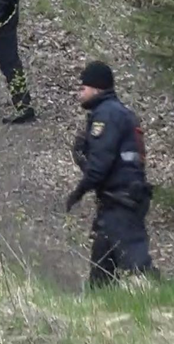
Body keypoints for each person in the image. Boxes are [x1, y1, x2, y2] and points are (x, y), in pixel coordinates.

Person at [65, 61, 157, 288]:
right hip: (119, 200)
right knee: (102, 270)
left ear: (97, 88)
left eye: (83, 88)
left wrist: (79, 191)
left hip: (121, 202)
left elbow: (100, 163)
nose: (79, 94)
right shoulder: (118, 113)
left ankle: (164, 300)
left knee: (138, 267)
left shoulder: (106, 115)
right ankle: (100, 302)